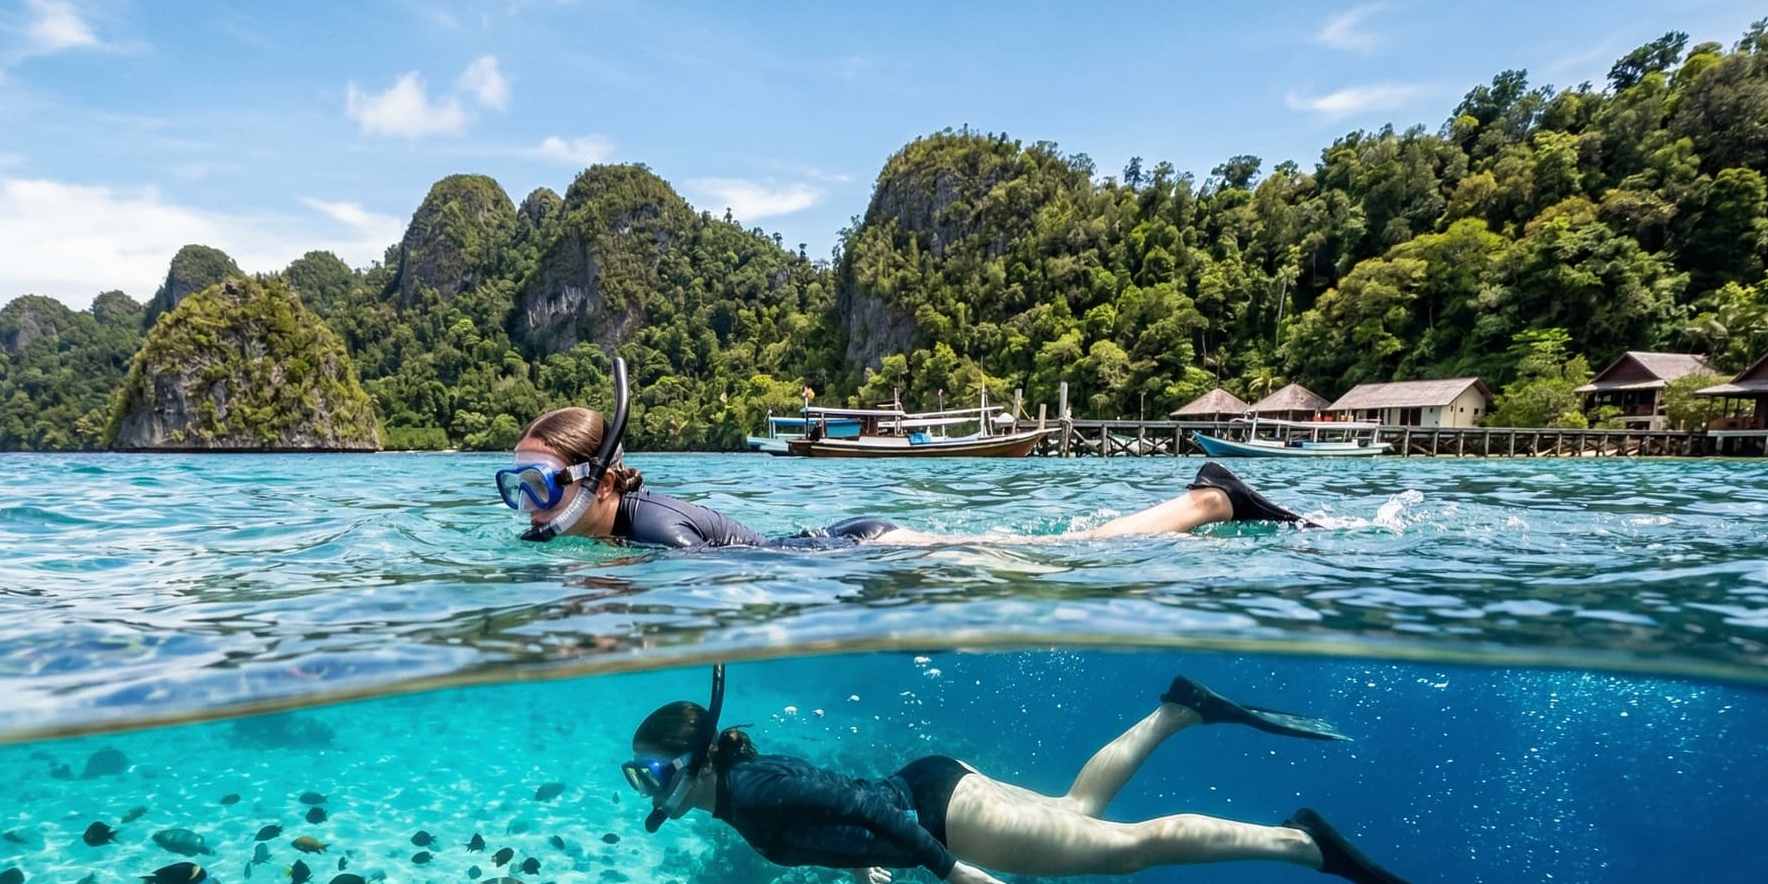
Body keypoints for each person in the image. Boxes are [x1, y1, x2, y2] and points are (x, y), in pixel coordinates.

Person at [623, 665, 1514, 884]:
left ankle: (1301, 842)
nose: (653, 791)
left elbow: (860, 808)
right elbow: (845, 814)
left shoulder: (753, 784)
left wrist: (949, 871)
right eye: (642, 778)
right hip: (931, 790)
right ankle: (1178, 708)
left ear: (697, 758)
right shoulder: (741, 795)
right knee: (1081, 815)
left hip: (940, 814)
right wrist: (869, 864)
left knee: (1123, 847)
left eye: (656, 772)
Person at [494, 359, 1307, 549]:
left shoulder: (655, 532)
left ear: (594, 479)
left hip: (865, 555)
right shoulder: (619, 532)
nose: (528, 504)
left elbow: (746, 596)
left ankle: (1210, 498)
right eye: (515, 487)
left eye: (536, 484)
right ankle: (1208, 498)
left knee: (1063, 556)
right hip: (846, 544)